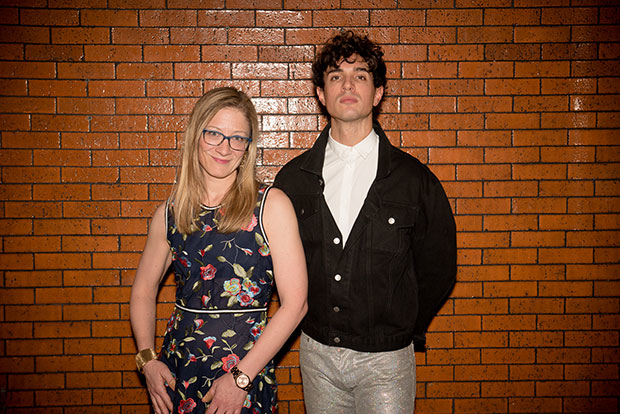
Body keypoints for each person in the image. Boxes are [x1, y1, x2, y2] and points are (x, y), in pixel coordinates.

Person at [274, 30, 457, 413]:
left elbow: (439, 266)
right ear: (321, 95)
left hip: (387, 360)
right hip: (317, 355)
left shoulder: (414, 180)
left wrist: (404, 326)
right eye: (336, 76)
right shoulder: (293, 180)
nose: (348, 84)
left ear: (377, 93)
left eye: (360, 75)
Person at [130, 87, 308, 414]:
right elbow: (143, 290)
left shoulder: (271, 206)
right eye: (214, 134)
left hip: (244, 375)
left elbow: (295, 305)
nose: (225, 148)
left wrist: (241, 378)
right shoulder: (171, 212)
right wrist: (148, 360)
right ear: (196, 134)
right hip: (177, 374)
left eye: (237, 138)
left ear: (248, 148)